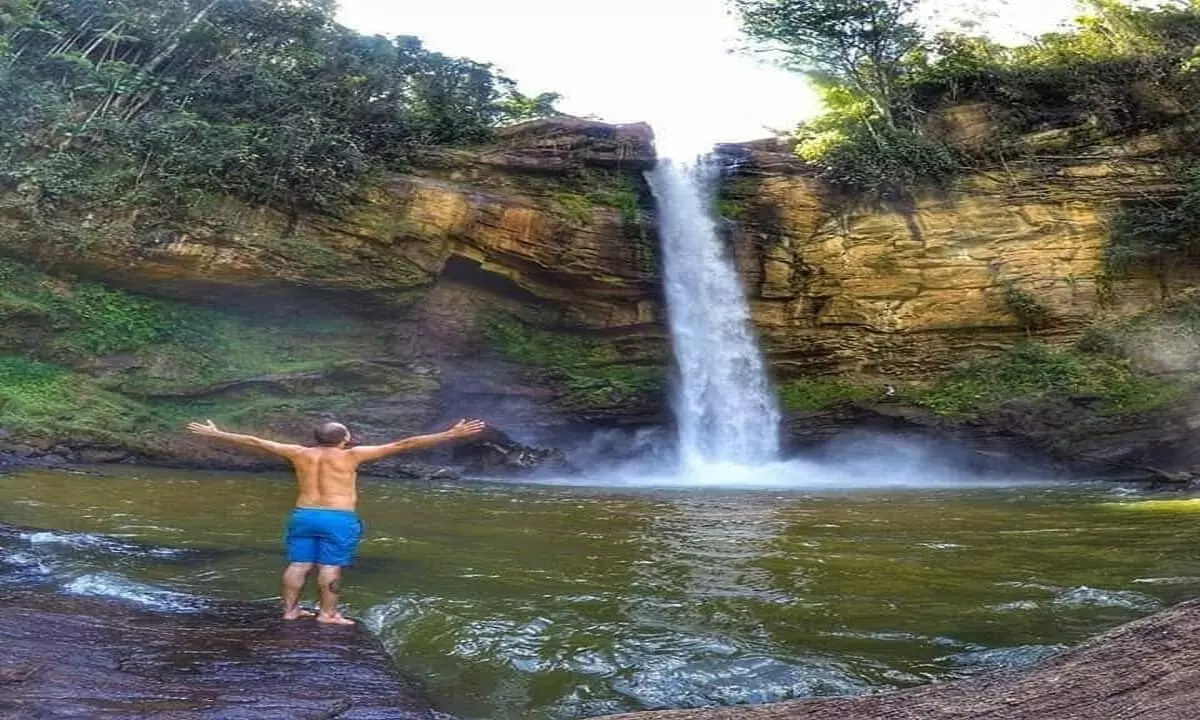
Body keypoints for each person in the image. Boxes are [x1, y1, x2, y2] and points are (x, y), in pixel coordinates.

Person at [186, 418, 487, 625]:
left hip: (304, 514)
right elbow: (405, 444)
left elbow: (255, 441)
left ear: (316, 438)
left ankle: (290, 612)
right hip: (338, 518)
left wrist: (217, 433)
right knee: (330, 566)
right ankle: (327, 614)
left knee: (299, 564)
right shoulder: (353, 455)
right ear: (345, 439)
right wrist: (450, 435)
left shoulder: (298, 453)